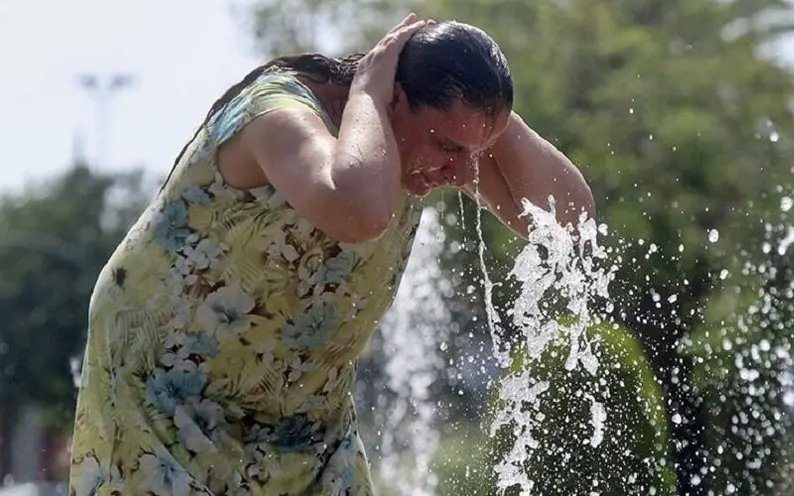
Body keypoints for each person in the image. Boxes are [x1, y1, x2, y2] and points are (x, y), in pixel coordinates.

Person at [68, 13, 594, 495]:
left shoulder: (425, 142)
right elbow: (358, 210)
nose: (458, 172)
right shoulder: (278, 114)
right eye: (449, 148)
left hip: (303, 421)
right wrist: (369, 88)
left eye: (473, 153)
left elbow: (569, 220)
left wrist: (493, 123)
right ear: (393, 99)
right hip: (162, 400)